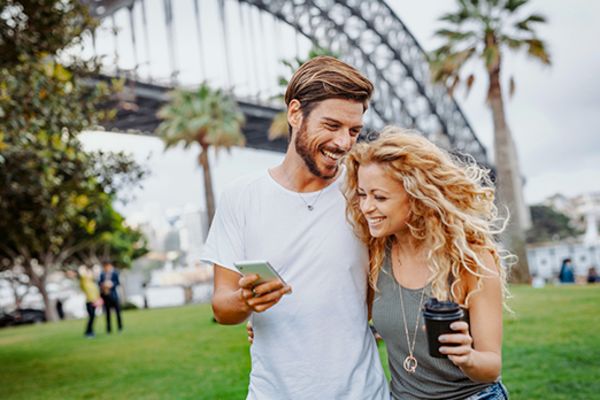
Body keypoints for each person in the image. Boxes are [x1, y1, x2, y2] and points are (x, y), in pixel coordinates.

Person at [203, 56, 389, 399]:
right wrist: (247, 301)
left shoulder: (364, 192)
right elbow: (221, 306)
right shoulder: (240, 197)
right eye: (331, 126)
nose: (344, 143)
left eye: (354, 131)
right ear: (294, 113)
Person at [344, 127, 509, 399]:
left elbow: (491, 366)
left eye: (380, 197)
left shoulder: (471, 260)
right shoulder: (375, 252)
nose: (366, 207)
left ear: (418, 197)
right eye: (362, 194)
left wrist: (467, 356)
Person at [78, 265, 102, 338]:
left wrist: (98, 299)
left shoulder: (93, 284)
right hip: (89, 302)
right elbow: (82, 280)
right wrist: (83, 271)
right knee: (91, 317)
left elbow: (97, 292)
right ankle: (89, 332)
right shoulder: (84, 282)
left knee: (93, 317)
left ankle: (89, 331)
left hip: (95, 302)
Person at [99, 261, 123, 333]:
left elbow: (118, 283)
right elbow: (99, 283)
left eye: (107, 266)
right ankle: (109, 329)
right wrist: (103, 285)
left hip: (114, 295)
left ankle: (119, 328)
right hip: (105, 296)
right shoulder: (102, 274)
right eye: (105, 266)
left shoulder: (115, 273)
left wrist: (112, 284)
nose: (106, 268)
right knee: (107, 313)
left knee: (118, 312)